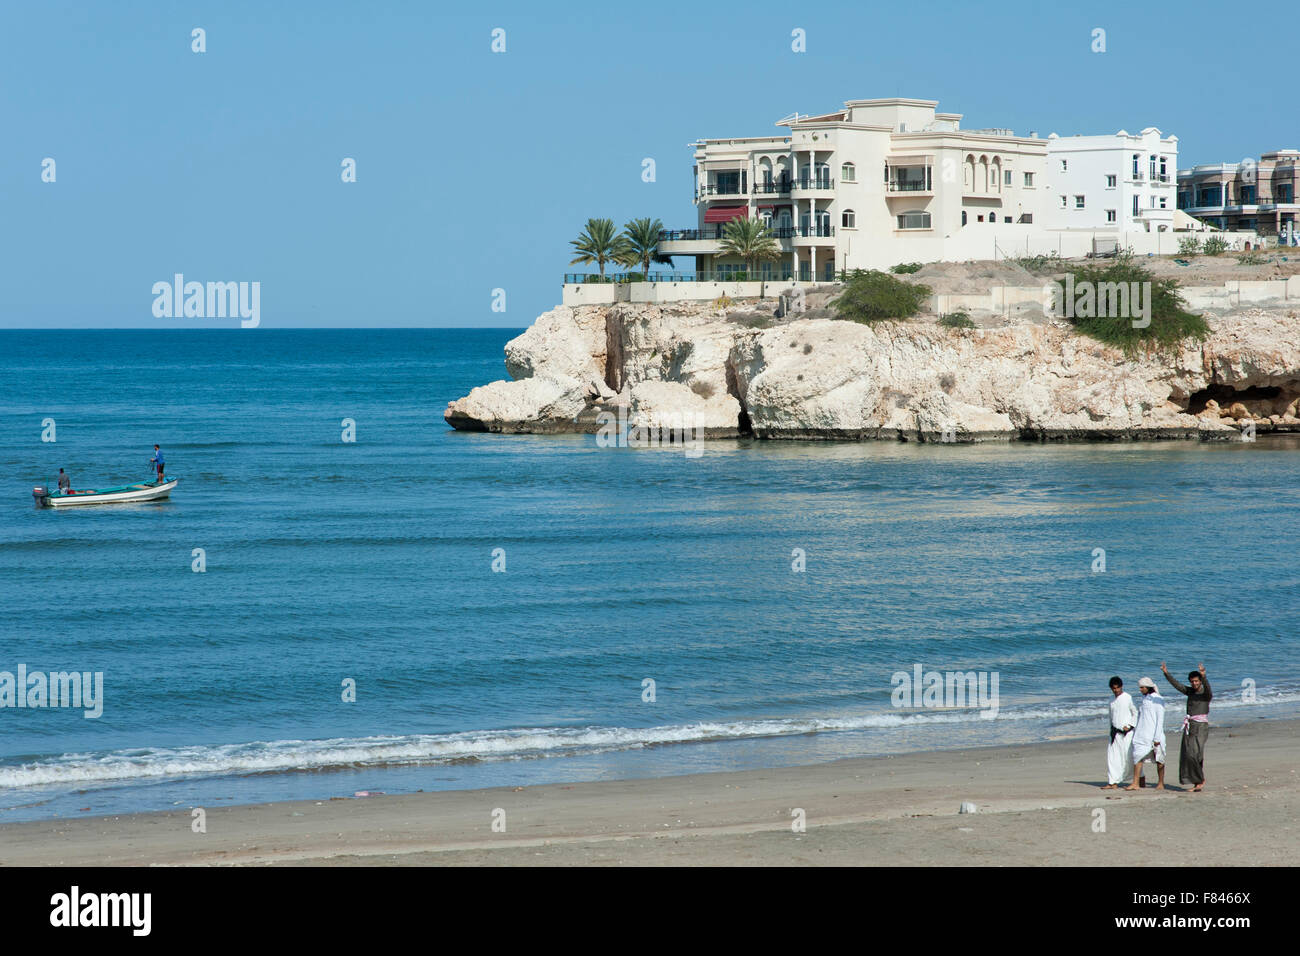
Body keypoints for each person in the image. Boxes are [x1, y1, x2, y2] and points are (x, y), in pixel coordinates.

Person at [1162, 661, 1211, 792]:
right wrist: (1166, 674)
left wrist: (1204, 676)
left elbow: (1208, 689)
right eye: (1192, 681)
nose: (1194, 683)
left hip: (1201, 727)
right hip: (1190, 726)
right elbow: (1177, 685)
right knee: (1187, 754)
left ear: (1200, 681)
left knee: (1195, 754)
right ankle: (1197, 781)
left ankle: (1200, 780)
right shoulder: (1190, 692)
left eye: (1196, 681)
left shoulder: (1205, 694)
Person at [1125, 677, 1167, 791]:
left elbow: (1160, 719)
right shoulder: (1145, 700)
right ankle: (1135, 783)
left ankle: (1161, 783)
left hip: (1154, 734)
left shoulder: (1158, 699)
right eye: (1140, 687)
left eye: (1142, 687)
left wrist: (1157, 737)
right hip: (1142, 734)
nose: (1141, 690)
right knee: (1137, 757)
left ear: (1148, 687)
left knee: (1159, 760)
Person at [1102, 676, 1137, 789]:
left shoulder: (1127, 697)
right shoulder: (1110, 699)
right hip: (1114, 732)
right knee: (1112, 757)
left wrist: (1130, 725)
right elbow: (1110, 716)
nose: (1115, 690)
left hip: (1127, 733)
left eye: (1117, 688)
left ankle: (1139, 778)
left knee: (1128, 757)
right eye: (1113, 688)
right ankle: (1112, 782)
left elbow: (1135, 712)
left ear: (1121, 687)